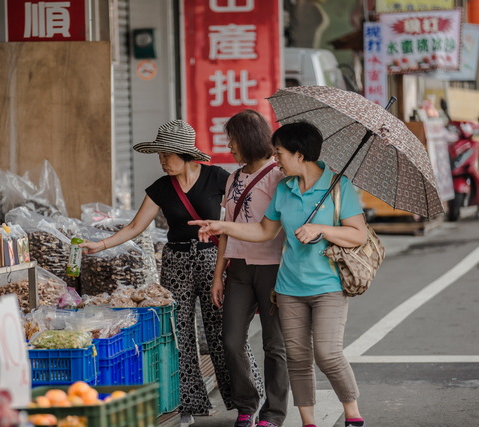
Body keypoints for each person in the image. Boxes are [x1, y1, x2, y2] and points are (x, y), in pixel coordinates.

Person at [79, 119, 264, 426]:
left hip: (211, 259)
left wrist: (228, 266)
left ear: (185, 154)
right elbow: (136, 227)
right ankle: (186, 404)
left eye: (167, 154)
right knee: (179, 334)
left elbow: (237, 221)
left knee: (225, 333)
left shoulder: (219, 177)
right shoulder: (161, 188)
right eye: (159, 155)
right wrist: (101, 244)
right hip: (175, 261)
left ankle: (248, 403)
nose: (163, 161)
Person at [190, 121, 369, 427]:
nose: (276, 158)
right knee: (298, 359)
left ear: (300, 155)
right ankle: (307, 421)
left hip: (328, 284)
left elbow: (358, 235)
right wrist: (221, 226)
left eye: (280, 152)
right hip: (288, 287)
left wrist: (321, 229)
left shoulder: (339, 186)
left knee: (326, 353)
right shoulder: (284, 188)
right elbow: (263, 230)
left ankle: (352, 413)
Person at [213, 110, 289, 427]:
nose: (229, 146)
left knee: (275, 345)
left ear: (247, 139)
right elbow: (226, 228)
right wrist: (219, 274)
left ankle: (273, 413)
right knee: (231, 339)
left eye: (232, 139)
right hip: (239, 269)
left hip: (273, 268)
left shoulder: (279, 177)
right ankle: (247, 404)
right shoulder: (233, 178)